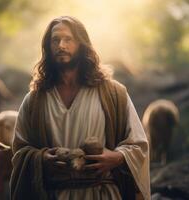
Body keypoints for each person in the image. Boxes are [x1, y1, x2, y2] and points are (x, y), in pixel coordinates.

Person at [10, 16, 150, 200]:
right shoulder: (35, 100)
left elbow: (138, 144)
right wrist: (41, 159)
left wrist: (118, 157)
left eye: (68, 39)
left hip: (102, 193)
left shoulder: (113, 94)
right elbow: (20, 150)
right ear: (48, 47)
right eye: (55, 40)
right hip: (53, 194)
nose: (61, 45)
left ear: (82, 44)